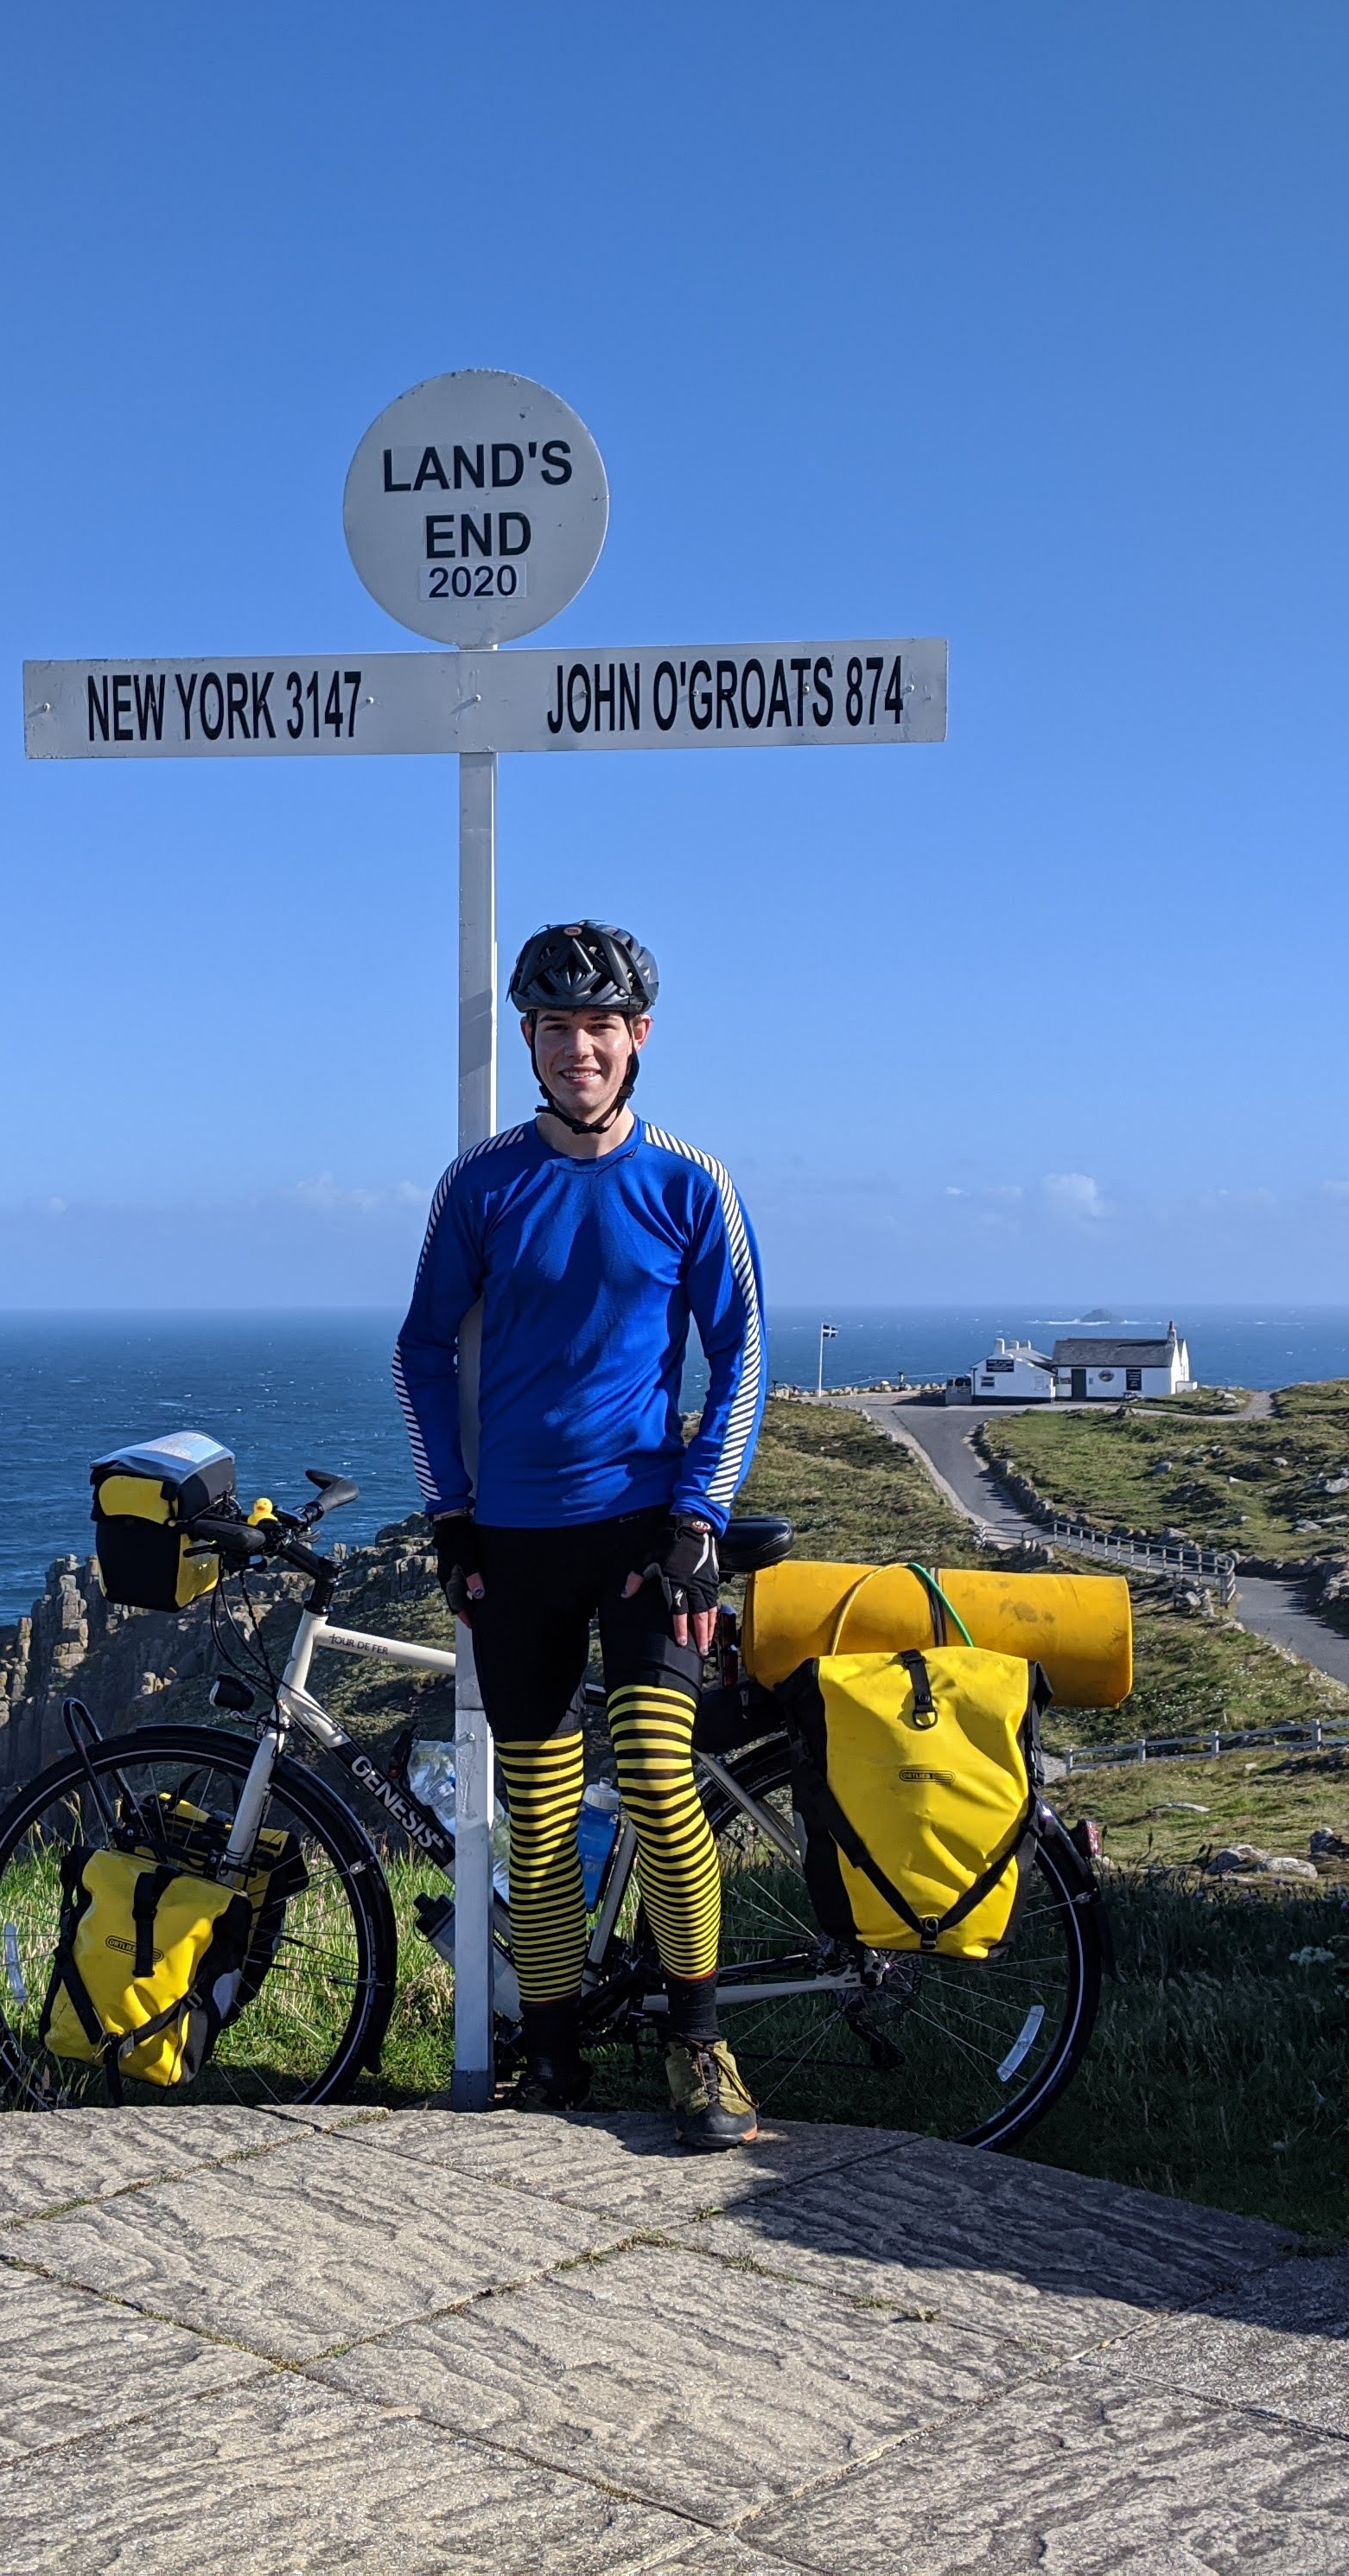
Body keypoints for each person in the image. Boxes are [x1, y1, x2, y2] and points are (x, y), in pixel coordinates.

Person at [393, 920, 767, 2148]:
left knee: (662, 1786)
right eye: (558, 1029)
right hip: (516, 1545)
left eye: (602, 1027)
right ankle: (552, 2058)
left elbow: (743, 1352)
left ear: (638, 1039)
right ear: (532, 1045)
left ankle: (700, 2050)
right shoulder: (484, 1184)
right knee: (538, 1820)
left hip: (644, 1543)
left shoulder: (690, 1183)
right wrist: (452, 1514)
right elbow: (421, 1345)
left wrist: (698, 1521)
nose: (582, 1050)